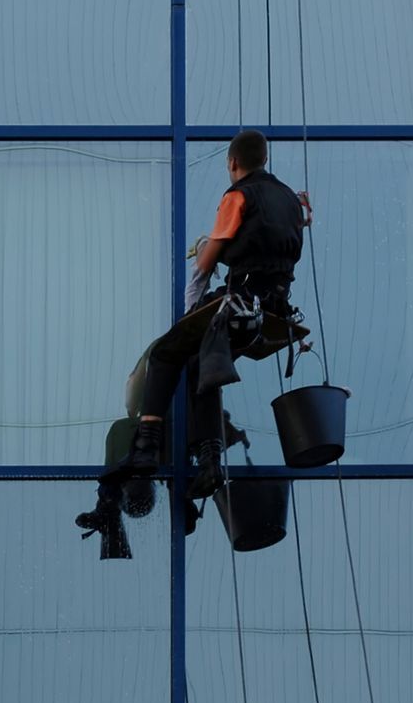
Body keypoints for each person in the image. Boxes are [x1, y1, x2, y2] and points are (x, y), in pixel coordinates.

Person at [124, 129, 305, 493]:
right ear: (264, 160)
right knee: (202, 368)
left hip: (239, 302)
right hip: (274, 308)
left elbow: (207, 261)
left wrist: (200, 277)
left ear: (232, 162)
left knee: (164, 353)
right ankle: (210, 461)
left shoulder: (237, 196)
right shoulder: (291, 199)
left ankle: (146, 447)